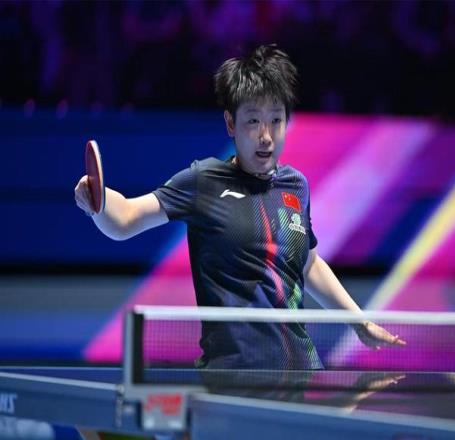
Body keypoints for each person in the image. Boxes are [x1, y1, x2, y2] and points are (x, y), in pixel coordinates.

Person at [75, 44, 405, 369]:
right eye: (253, 121)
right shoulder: (204, 181)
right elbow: (126, 218)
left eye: (276, 120)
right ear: (231, 123)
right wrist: (98, 199)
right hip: (233, 375)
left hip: (300, 372)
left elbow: (308, 263)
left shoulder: (296, 186)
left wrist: (359, 322)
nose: (266, 136)